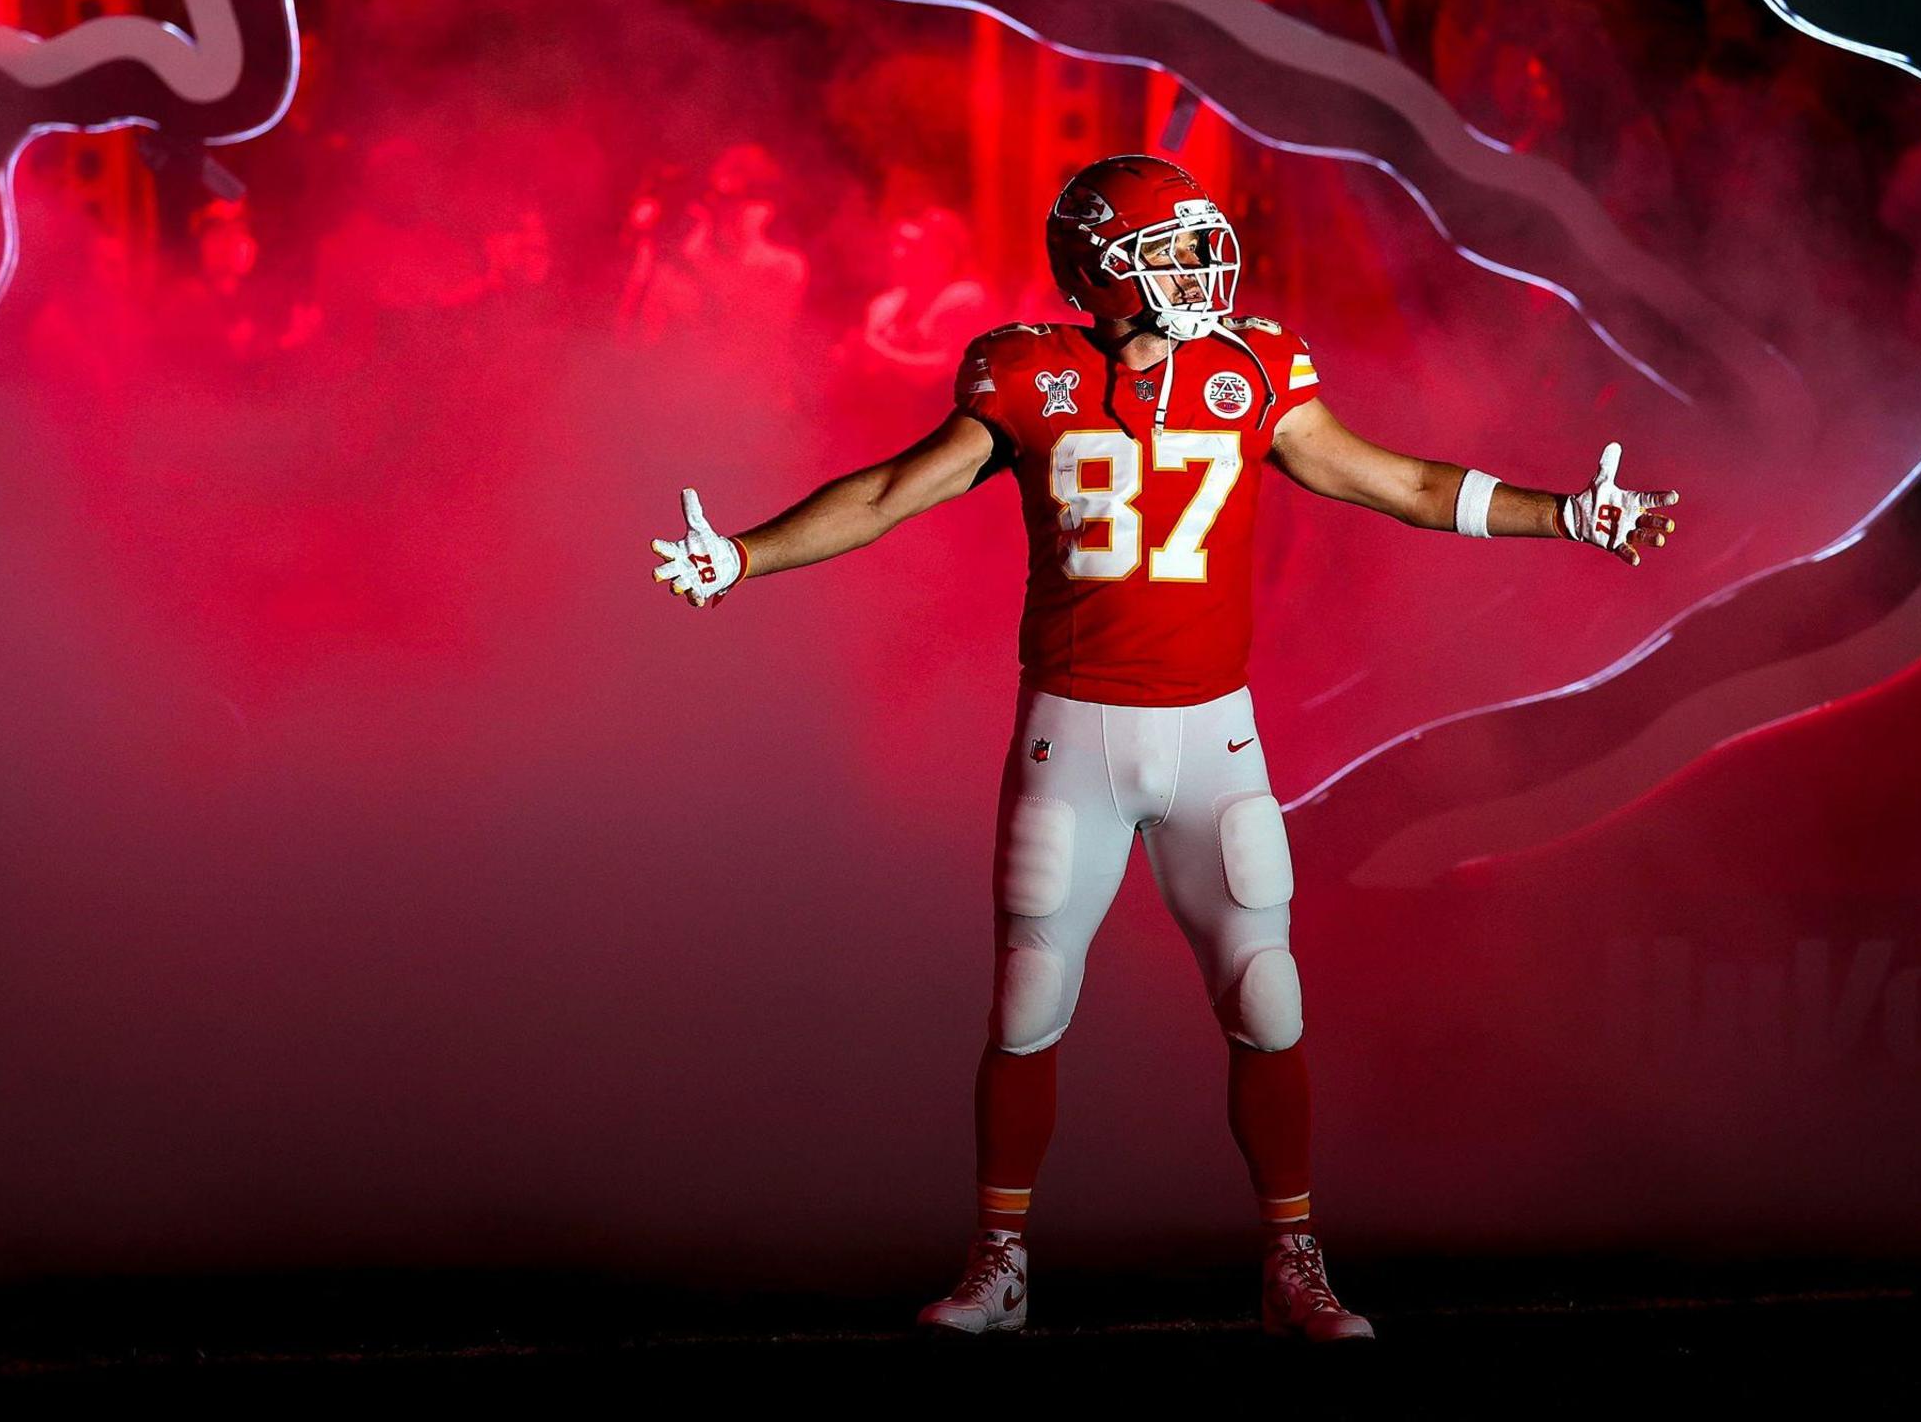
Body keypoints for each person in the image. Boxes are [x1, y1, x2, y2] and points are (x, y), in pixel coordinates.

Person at [648, 155, 1681, 1341]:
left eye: (1200, 245)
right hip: (1071, 733)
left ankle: (1294, 1264)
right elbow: (890, 494)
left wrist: (1562, 513)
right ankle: (1000, 1263)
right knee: (1027, 1000)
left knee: (1267, 997)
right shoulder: (1028, 373)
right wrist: (742, 556)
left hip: (1210, 734)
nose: (1202, 268)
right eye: (1172, 249)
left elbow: (1391, 479)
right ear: (1099, 268)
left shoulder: (1252, 367)